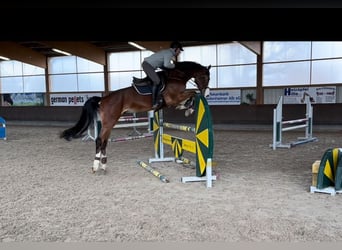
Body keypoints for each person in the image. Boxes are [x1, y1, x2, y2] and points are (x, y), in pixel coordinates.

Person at [142, 41, 184, 109]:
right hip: (147, 65)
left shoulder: (168, 52)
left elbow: (162, 65)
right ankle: (154, 102)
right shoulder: (169, 53)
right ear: (176, 49)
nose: (179, 52)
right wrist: (175, 66)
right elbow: (166, 65)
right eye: (179, 50)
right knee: (157, 81)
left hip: (149, 65)